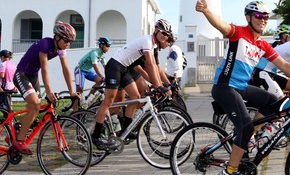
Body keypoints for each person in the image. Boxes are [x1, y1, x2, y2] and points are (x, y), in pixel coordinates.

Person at [196, 0, 290, 175]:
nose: (263, 20)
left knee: (274, 102)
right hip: (224, 87)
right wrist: (206, 10)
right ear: (249, 17)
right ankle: (230, 170)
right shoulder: (238, 33)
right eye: (259, 15)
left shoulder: (262, 44)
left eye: (266, 17)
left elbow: (284, 65)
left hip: (241, 86)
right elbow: (221, 25)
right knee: (244, 125)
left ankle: (250, 137)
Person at [90, 19, 172, 150]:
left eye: (167, 34)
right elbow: (150, 65)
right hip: (115, 66)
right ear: (156, 31)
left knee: (135, 96)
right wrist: (158, 86)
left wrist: (160, 84)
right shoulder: (147, 41)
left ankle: (125, 131)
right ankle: (96, 136)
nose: (165, 36)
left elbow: (155, 68)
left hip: (125, 69)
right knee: (109, 100)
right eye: (163, 32)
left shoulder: (154, 46)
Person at [11, 21, 79, 155]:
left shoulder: (60, 49)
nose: (67, 44)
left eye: (69, 42)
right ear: (57, 37)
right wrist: (48, 91)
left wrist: (72, 91)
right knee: (35, 104)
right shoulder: (45, 44)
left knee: (35, 108)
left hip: (33, 75)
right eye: (66, 41)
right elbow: (45, 69)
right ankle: (19, 140)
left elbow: (65, 69)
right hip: (22, 74)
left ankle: (16, 130)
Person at [74, 37, 111, 107]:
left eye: (109, 46)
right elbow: (95, 66)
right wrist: (102, 76)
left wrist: (111, 75)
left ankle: (87, 98)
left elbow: (106, 67)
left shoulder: (102, 55)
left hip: (88, 70)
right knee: (79, 89)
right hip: (80, 70)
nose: (108, 48)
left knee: (99, 81)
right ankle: (74, 109)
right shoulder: (95, 53)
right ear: (101, 45)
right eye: (107, 46)